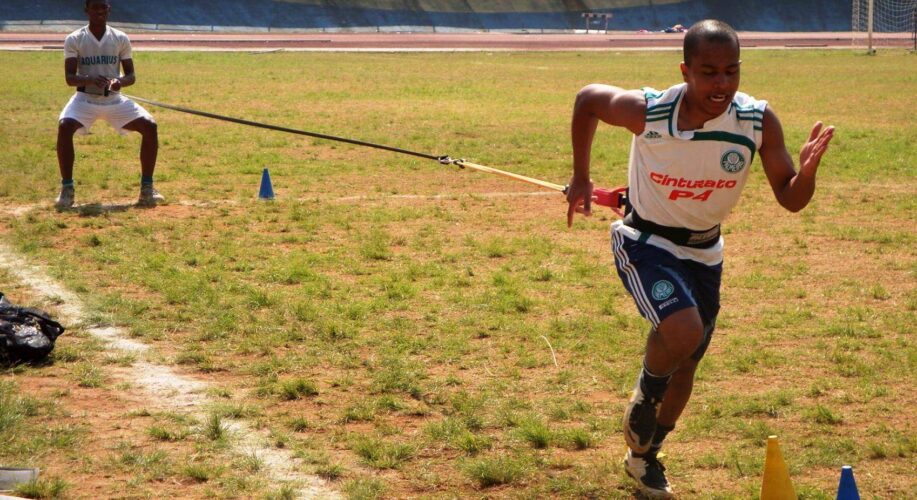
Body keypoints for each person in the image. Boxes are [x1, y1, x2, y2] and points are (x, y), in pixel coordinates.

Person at [566, 19, 834, 498]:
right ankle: (647, 393)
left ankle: (644, 456)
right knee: (683, 330)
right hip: (645, 241)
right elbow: (588, 99)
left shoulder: (755, 121)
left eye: (732, 71)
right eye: (709, 72)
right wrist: (582, 176)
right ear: (685, 71)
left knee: (687, 363)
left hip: (705, 252)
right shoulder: (650, 111)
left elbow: (791, 199)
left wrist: (808, 173)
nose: (722, 84)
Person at [55, 0, 163, 209]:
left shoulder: (120, 37)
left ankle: (147, 188)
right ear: (86, 10)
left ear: (109, 9)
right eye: (95, 7)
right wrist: (89, 79)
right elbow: (69, 78)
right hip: (85, 99)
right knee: (65, 126)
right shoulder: (75, 39)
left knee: (150, 126)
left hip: (114, 100)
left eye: (103, 7)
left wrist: (119, 82)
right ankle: (67, 189)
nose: (99, 11)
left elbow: (131, 76)